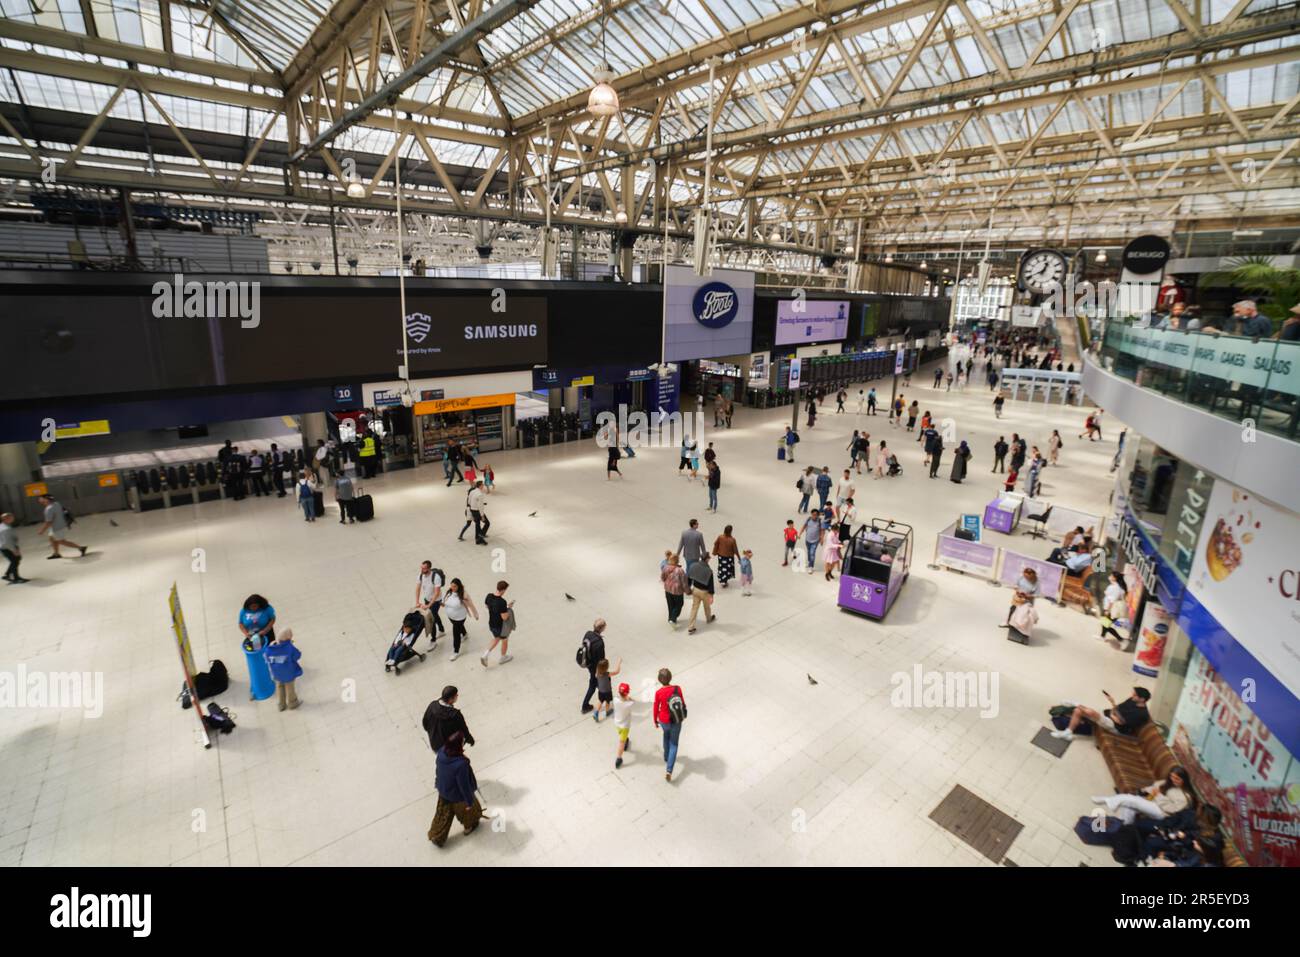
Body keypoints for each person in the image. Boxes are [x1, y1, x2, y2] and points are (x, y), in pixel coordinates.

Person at [428, 731, 483, 847]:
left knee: (443, 815)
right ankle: (470, 826)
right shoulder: (460, 764)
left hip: (443, 790)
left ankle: (437, 836)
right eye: (462, 742)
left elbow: (438, 770)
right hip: (458, 796)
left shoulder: (441, 753)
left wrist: (438, 783)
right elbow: (464, 785)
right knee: (468, 813)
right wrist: (469, 802)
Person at [1092, 768, 1193, 826]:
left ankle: (1108, 800)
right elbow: (1153, 789)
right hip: (1152, 803)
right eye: (1172, 776)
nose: (1173, 780)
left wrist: (1158, 797)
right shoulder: (1167, 783)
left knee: (1132, 801)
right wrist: (1147, 793)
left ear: (1184, 780)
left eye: (1177, 779)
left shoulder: (1185, 796)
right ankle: (1124, 826)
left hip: (1162, 813)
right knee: (1129, 806)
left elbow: (1173, 810)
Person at [1051, 686, 1151, 742]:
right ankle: (1068, 732)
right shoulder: (1132, 700)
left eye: (1134, 695)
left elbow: (1120, 722)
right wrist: (1112, 702)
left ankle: (1073, 703)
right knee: (1078, 710)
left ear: (1142, 699)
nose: (1132, 696)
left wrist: (1113, 714)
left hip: (1116, 727)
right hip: (1109, 716)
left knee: (1089, 712)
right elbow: (1116, 708)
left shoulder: (1141, 714)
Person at [653, 668, 686, 782]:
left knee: (666, 734)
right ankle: (669, 770)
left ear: (659, 680)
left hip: (663, 720)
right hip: (676, 720)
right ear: (670, 677)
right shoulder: (677, 688)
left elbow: (656, 707)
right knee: (674, 744)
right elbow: (682, 702)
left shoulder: (658, 693)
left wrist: (655, 720)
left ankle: (666, 756)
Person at [265, 627, 302, 712]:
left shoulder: (270, 648)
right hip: (288, 673)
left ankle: (281, 705)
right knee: (290, 688)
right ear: (288, 637)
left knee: (280, 686)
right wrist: (291, 645)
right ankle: (292, 703)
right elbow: (297, 655)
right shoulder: (289, 648)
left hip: (277, 673)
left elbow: (267, 657)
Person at [442, 578, 478, 661]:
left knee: (456, 634)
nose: (452, 588)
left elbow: (471, 604)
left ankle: (456, 651)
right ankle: (465, 634)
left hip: (459, 618)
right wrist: (444, 604)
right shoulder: (449, 592)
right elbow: (446, 600)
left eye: (454, 586)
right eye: (451, 586)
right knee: (459, 627)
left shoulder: (463, 595)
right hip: (451, 617)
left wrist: (475, 614)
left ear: (459, 586)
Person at [480, 580, 514, 667]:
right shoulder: (502, 602)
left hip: (492, 624)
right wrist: (508, 609)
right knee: (504, 640)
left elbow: (488, 606)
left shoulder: (489, 596)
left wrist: (504, 608)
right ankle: (503, 657)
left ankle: (485, 655)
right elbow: (504, 617)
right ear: (503, 590)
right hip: (500, 626)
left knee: (496, 638)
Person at [579, 619, 608, 713]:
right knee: (593, 685)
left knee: (596, 684)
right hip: (595, 669)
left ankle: (606, 698)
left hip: (589, 664)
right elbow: (601, 660)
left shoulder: (588, 634)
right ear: (602, 628)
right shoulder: (599, 643)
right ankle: (585, 706)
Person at [414, 560, 445, 643]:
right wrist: (417, 601)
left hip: (436, 601)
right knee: (435, 614)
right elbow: (418, 588)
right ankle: (441, 629)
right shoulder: (421, 576)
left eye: (424, 568)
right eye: (421, 568)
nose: (422, 570)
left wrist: (429, 605)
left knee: (431, 619)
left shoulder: (436, 577)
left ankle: (433, 639)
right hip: (427, 599)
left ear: (429, 568)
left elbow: (437, 592)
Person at [685, 557, 716, 634]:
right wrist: (711, 595)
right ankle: (709, 619)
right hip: (704, 592)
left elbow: (689, 577)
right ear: (707, 559)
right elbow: (710, 585)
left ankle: (690, 627)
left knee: (694, 608)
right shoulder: (709, 571)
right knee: (707, 607)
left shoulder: (693, 565)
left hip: (695, 590)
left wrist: (688, 586)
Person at [661, 553, 689, 628]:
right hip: (677, 591)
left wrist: (667, 583)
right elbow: (684, 583)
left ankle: (670, 618)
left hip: (667, 590)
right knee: (679, 604)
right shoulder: (680, 571)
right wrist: (687, 591)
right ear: (677, 561)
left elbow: (663, 577)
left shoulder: (665, 568)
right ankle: (673, 619)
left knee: (670, 605)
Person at [592, 657, 623, 722]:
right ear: (606, 667)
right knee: (607, 701)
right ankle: (607, 711)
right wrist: (619, 662)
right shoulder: (607, 674)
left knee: (600, 701)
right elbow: (617, 671)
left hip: (600, 691)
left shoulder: (597, 673)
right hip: (607, 691)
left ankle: (596, 712)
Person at [2, 512, 28, 583]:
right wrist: (14, 550)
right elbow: (7, 542)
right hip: (8, 547)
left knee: (16, 560)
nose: (13, 518)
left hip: (5, 547)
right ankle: (16, 578)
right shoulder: (6, 529)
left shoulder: (3, 526)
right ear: (6, 519)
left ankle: (7, 575)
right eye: (11, 517)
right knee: (15, 561)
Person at [613, 682, 634, 769]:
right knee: (621, 742)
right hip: (625, 726)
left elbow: (620, 698)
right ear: (627, 693)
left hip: (617, 723)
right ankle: (619, 758)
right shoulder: (628, 704)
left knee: (622, 736)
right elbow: (632, 701)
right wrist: (628, 698)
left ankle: (625, 740)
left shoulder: (615, 700)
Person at [713, 524, 739, 589]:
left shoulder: (720, 537)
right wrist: (739, 558)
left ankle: (721, 579)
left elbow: (715, 543)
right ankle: (724, 581)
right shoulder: (732, 540)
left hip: (721, 556)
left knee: (721, 567)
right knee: (727, 569)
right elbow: (735, 550)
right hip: (729, 557)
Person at [464, 480, 490, 545]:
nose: (483, 486)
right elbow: (480, 506)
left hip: (472, 510)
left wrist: (472, 505)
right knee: (487, 523)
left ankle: (477, 539)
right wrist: (482, 516)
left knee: (477, 524)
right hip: (477, 511)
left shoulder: (472, 491)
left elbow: (469, 500)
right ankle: (480, 536)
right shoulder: (480, 494)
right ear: (480, 486)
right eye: (482, 485)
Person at [801, 509, 823, 573]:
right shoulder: (808, 519)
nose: (814, 516)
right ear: (811, 514)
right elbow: (804, 526)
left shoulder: (819, 521)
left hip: (815, 540)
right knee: (808, 552)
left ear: (818, 515)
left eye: (816, 515)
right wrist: (800, 533)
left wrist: (821, 539)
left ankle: (811, 566)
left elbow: (822, 530)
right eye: (813, 515)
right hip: (807, 539)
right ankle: (809, 562)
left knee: (812, 553)